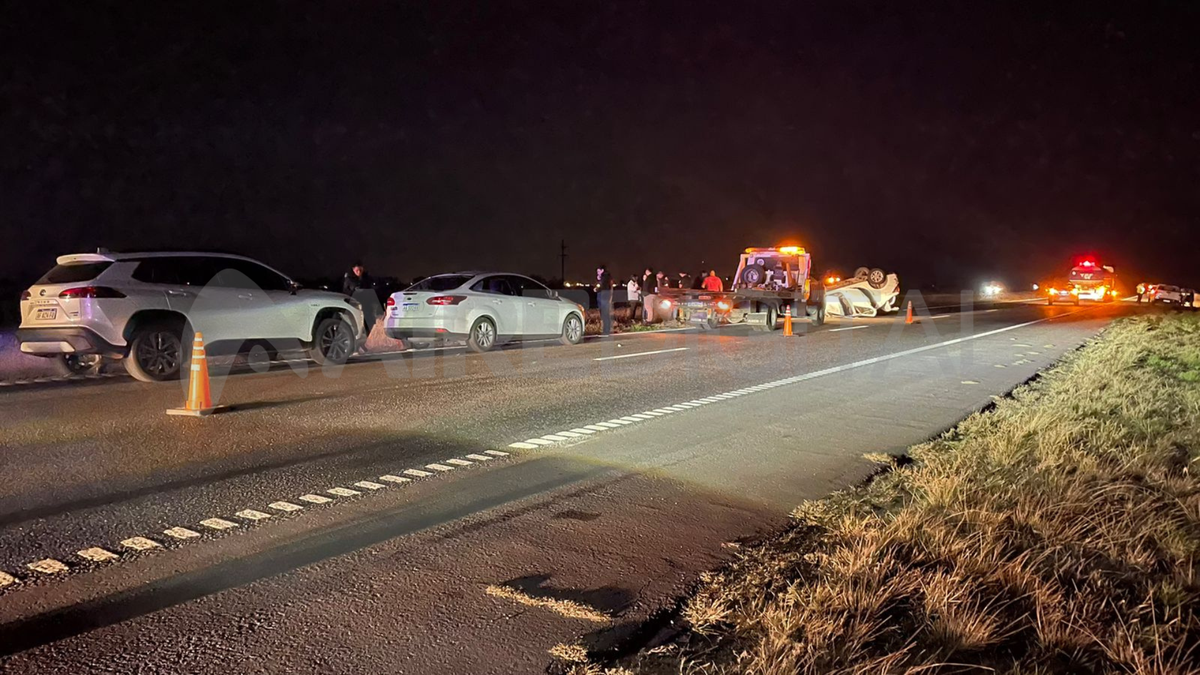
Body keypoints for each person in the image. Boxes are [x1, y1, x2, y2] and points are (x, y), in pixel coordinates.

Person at [343, 262, 378, 342]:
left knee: (369, 322)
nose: (359, 272)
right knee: (356, 323)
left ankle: (368, 340)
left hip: (366, 304)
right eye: (357, 270)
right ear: (353, 269)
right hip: (354, 304)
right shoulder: (349, 278)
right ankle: (356, 341)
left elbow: (372, 290)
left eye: (360, 269)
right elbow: (345, 291)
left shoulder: (367, 278)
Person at [597, 264, 613, 335]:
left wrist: (597, 289)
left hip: (604, 296)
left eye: (598, 270)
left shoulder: (604, 277)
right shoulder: (606, 277)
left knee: (604, 313)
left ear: (602, 270)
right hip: (605, 296)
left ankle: (606, 330)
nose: (597, 272)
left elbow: (604, 287)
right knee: (605, 313)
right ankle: (606, 329)